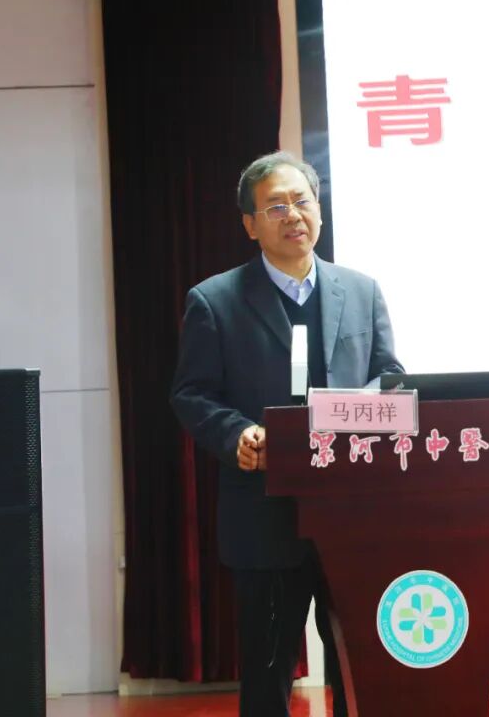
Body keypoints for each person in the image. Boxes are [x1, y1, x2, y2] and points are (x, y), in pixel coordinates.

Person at [170, 150, 404, 717]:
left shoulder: (362, 290)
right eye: (275, 206)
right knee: (268, 666)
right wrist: (238, 434)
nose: (293, 215)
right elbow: (192, 394)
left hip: (351, 512)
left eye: (302, 201)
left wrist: (365, 409)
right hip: (264, 511)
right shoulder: (215, 301)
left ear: (318, 211)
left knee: (356, 661)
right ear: (250, 225)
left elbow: (390, 378)